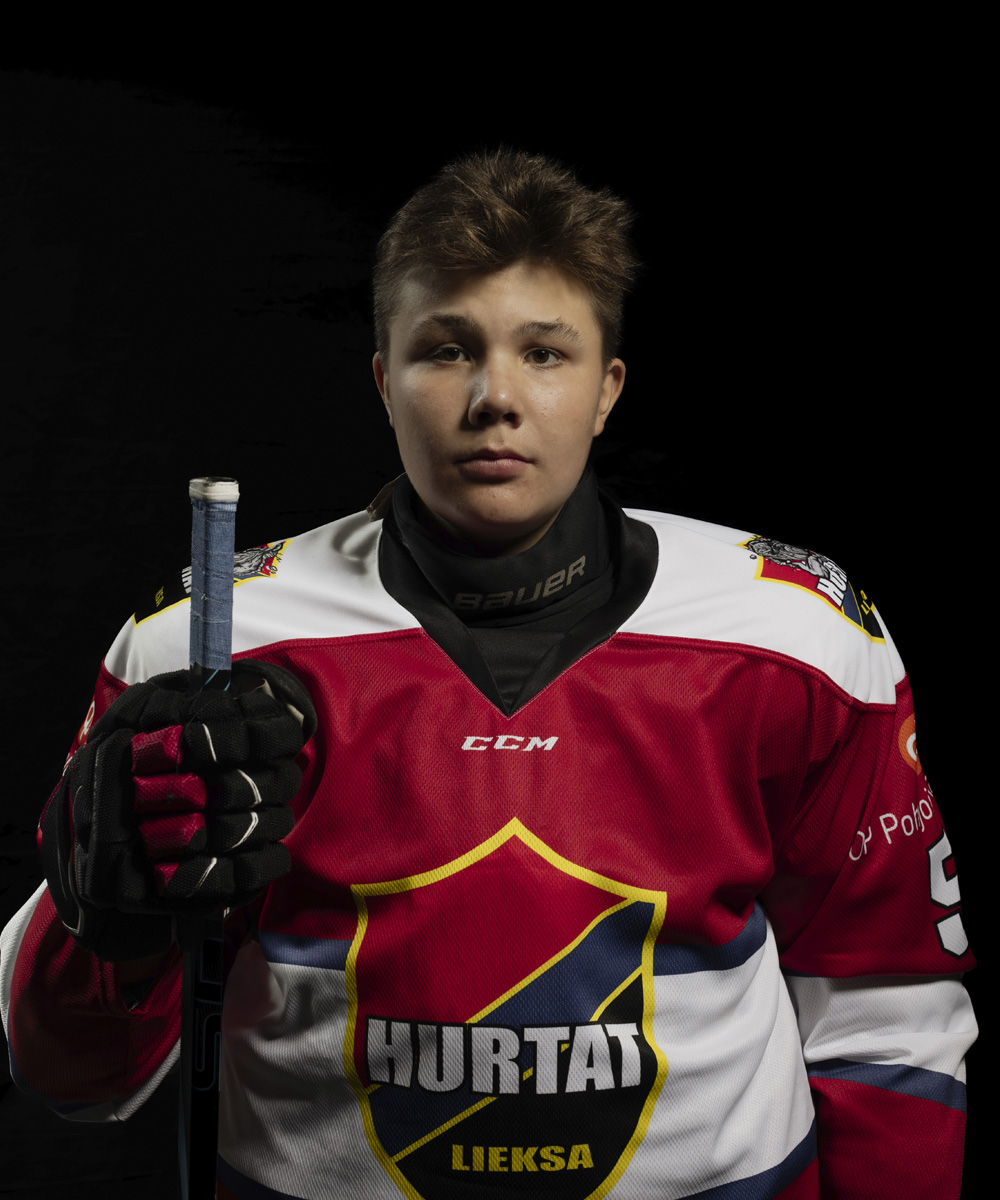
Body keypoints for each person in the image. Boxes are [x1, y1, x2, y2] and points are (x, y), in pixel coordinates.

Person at [0, 149, 976, 1199]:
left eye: (544, 353)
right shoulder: (204, 646)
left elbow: (889, 1012)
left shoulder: (798, 636)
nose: (494, 397)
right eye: (446, 349)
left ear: (606, 390)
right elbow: (70, 1079)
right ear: (385, 381)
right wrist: (109, 924)